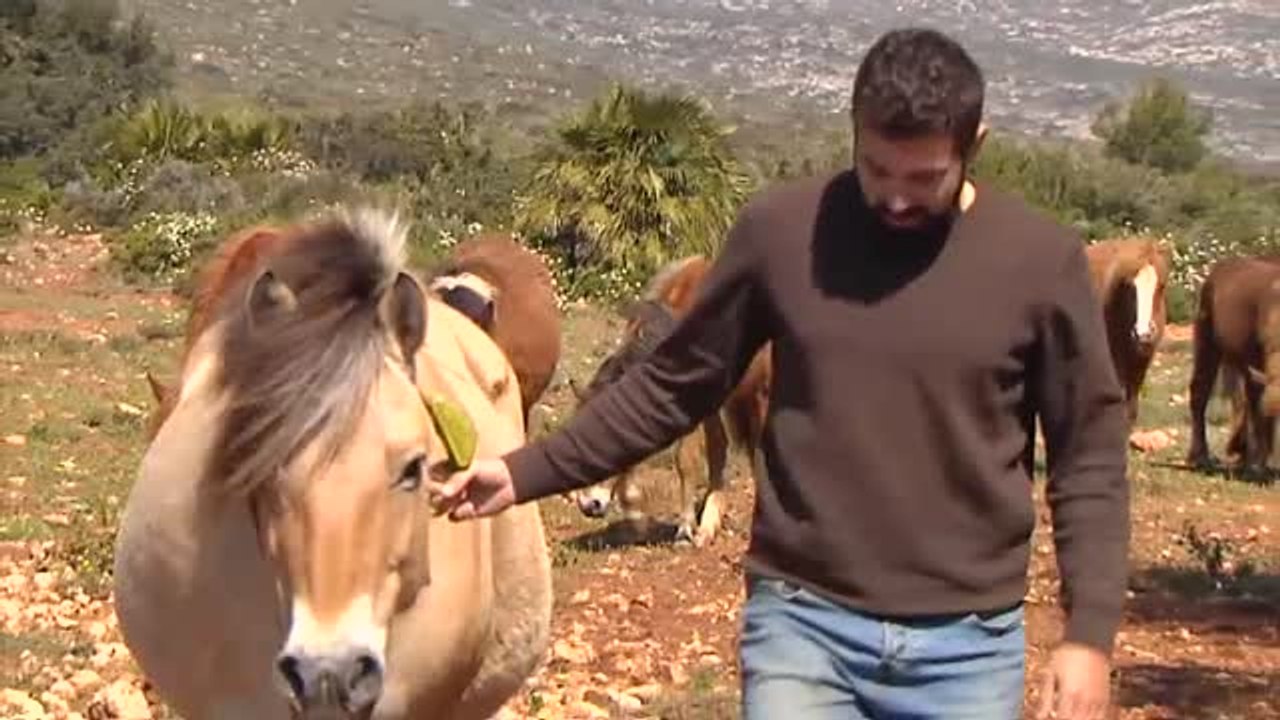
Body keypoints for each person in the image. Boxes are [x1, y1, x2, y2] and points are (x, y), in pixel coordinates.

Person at [429, 26, 1130, 720]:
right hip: (804, 629)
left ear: (975, 147)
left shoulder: (1038, 261)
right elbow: (675, 384)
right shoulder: (783, 232)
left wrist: (1089, 637)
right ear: (853, 131)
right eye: (875, 169)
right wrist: (525, 472)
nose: (893, 198)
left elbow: (1089, 457)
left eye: (925, 179)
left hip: (969, 648)